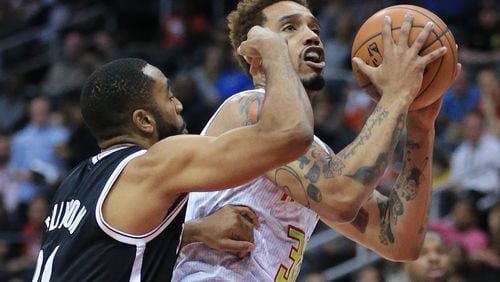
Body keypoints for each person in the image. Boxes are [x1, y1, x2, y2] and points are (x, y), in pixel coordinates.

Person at [173, 0, 460, 281]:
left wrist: (421, 127)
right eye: (289, 28)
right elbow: (340, 196)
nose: (311, 35)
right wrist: (396, 94)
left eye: (314, 29)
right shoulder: (250, 109)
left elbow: (399, 242)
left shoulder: (316, 155)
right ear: (256, 58)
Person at [33, 53, 314, 280]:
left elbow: (106, 255)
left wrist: (194, 230)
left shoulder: (72, 185)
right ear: (144, 121)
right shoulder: (151, 165)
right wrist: (276, 56)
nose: (179, 105)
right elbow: (291, 136)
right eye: (168, 97)